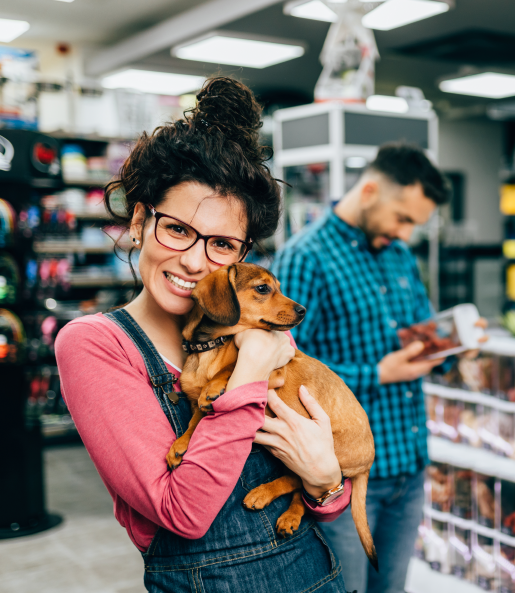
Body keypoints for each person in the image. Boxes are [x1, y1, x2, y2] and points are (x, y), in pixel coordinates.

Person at [55, 77, 350, 593]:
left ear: (242, 255)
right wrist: (252, 373)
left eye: (222, 244)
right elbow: (183, 513)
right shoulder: (97, 344)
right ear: (142, 219)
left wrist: (326, 483)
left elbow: (325, 502)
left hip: (314, 573)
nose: (194, 261)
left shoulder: (255, 323)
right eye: (178, 230)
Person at [273, 143, 480, 593]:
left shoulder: (398, 254)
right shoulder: (304, 257)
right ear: (369, 190)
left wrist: (451, 349)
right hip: (344, 477)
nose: (406, 232)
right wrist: (378, 374)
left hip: (409, 464)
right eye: (402, 218)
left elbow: (418, 343)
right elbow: (283, 372)